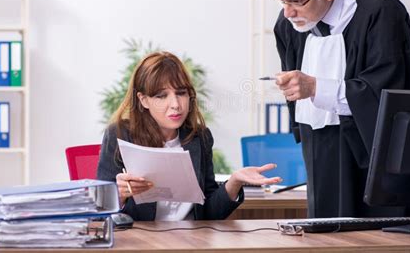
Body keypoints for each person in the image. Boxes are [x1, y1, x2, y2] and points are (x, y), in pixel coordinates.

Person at [272, 0, 410, 218]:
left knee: (382, 237)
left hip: (376, 155)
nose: (287, 12)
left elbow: (390, 95)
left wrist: (316, 87)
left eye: (296, 1)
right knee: (326, 234)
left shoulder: (382, 12)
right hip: (320, 150)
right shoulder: (288, 27)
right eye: (280, 0)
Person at [97, 51, 281, 221]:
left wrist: (234, 181)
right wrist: (118, 195)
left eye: (181, 93)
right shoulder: (120, 134)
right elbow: (98, 210)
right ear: (144, 100)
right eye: (162, 96)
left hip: (191, 240)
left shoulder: (199, 137)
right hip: (142, 241)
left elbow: (209, 212)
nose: (176, 104)